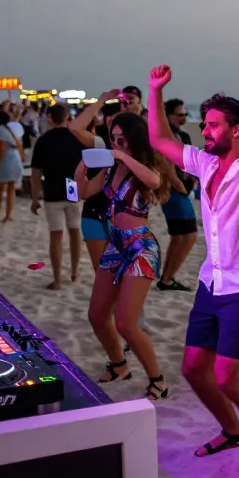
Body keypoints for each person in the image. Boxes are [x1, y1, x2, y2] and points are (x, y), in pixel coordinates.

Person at [147, 65, 239, 478]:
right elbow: (159, 138)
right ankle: (232, 431)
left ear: (235, 130)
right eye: (204, 123)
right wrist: (155, 90)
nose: (205, 130)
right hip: (212, 282)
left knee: (228, 376)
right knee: (195, 369)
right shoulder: (206, 164)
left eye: (213, 125)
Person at [76, 111, 173, 401]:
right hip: (115, 245)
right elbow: (84, 192)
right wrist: (82, 167)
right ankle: (119, 366)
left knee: (126, 322)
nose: (116, 143)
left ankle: (158, 380)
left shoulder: (144, 166)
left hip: (140, 247)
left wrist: (122, 157)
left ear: (134, 139)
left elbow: (155, 182)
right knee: (96, 315)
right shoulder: (110, 168)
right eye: (113, 138)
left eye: (122, 139)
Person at [30, 103, 95, 289]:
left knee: (56, 235)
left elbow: (36, 173)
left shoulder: (43, 141)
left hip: (52, 189)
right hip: (72, 188)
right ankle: (75, 273)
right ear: (67, 117)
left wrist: (35, 199)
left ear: (49, 118)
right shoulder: (76, 138)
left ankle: (57, 279)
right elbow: (86, 166)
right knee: (75, 232)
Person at [69, 90, 127, 270]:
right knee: (103, 274)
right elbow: (75, 128)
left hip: (122, 219)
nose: (114, 123)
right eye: (111, 119)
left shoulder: (139, 151)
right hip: (94, 213)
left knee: (119, 275)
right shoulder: (102, 145)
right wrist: (101, 100)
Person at [157, 98, 200, 292]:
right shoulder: (165, 138)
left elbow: (191, 161)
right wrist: (180, 187)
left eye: (185, 115)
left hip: (184, 188)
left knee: (180, 235)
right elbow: (166, 167)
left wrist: (193, 180)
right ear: (168, 116)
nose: (183, 118)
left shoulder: (183, 136)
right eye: (179, 115)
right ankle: (167, 278)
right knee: (188, 234)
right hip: (173, 190)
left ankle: (167, 277)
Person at [0, 109, 23, 223]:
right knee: (11, 188)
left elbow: (1, 150)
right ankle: (8, 215)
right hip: (15, 157)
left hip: (7, 159)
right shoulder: (10, 129)